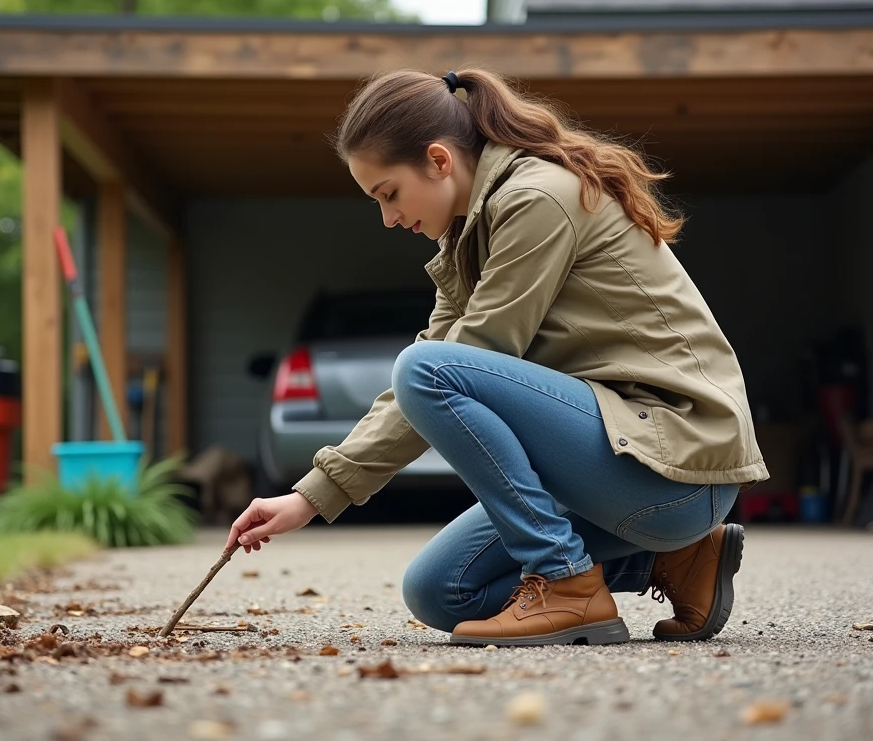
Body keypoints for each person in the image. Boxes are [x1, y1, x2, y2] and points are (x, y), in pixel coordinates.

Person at [225, 68, 768, 647]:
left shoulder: (536, 198)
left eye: (388, 193)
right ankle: (675, 561)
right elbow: (425, 377)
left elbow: (457, 361)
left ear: (438, 160)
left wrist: (322, 492)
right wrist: (311, 496)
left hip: (675, 466)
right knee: (441, 590)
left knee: (425, 368)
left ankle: (567, 582)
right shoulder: (466, 238)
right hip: (622, 466)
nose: (386, 217)